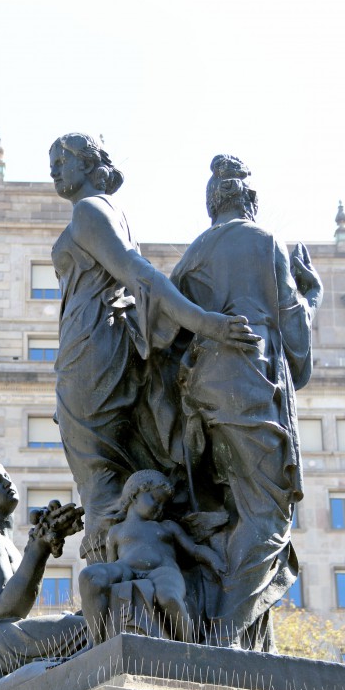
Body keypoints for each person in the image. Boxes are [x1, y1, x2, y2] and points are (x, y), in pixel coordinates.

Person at [49, 134, 260, 563]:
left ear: (91, 164)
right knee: (112, 473)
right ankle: (129, 588)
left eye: (63, 159)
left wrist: (205, 324)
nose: (54, 168)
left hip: (90, 351)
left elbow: (138, 274)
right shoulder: (106, 213)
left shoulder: (90, 210)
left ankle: (112, 599)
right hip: (101, 345)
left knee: (98, 475)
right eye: (51, 161)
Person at [170, 154, 323, 650]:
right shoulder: (265, 243)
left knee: (230, 514)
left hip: (203, 398)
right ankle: (223, 638)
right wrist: (311, 295)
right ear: (250, 201)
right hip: (251, 387)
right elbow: (294, 340)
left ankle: (252, 639)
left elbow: (166, 329)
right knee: (267, 516)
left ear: (212, 204)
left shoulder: (192, 253)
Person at [0, 460, 88, 690]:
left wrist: (41, 545)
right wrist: (39, 548)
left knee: (86, 623)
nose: (6, 482)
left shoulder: (4, 543)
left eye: (6, 476)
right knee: (88, 628)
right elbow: (3, 607)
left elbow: (16, 608)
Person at [78, 470, 226, 644]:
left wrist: (212, 558)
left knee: (169, 597)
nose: (160, 508)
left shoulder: (167, 527)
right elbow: (111, 562)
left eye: (164, 504)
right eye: (155, 499)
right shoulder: (115, 531)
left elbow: (192, 549)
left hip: (162, 570)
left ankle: (188, 645)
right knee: (89, 576)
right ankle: (95, 642)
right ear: (134, 495)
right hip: (126, 568)